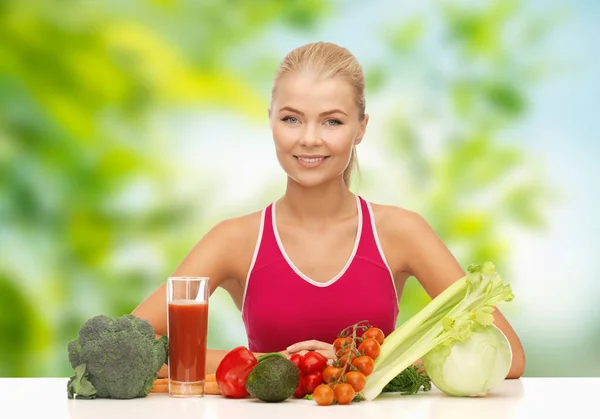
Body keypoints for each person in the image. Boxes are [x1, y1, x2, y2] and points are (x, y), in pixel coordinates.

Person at [132, 41, 526, 379]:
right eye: (291, 118)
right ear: (270, 121)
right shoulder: (233, 240)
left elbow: (508, 355)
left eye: (332, 122)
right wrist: (276, 365)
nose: (309, 139)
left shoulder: (402, 232)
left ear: (361, 128)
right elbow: (133, 347)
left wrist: (363, 365)